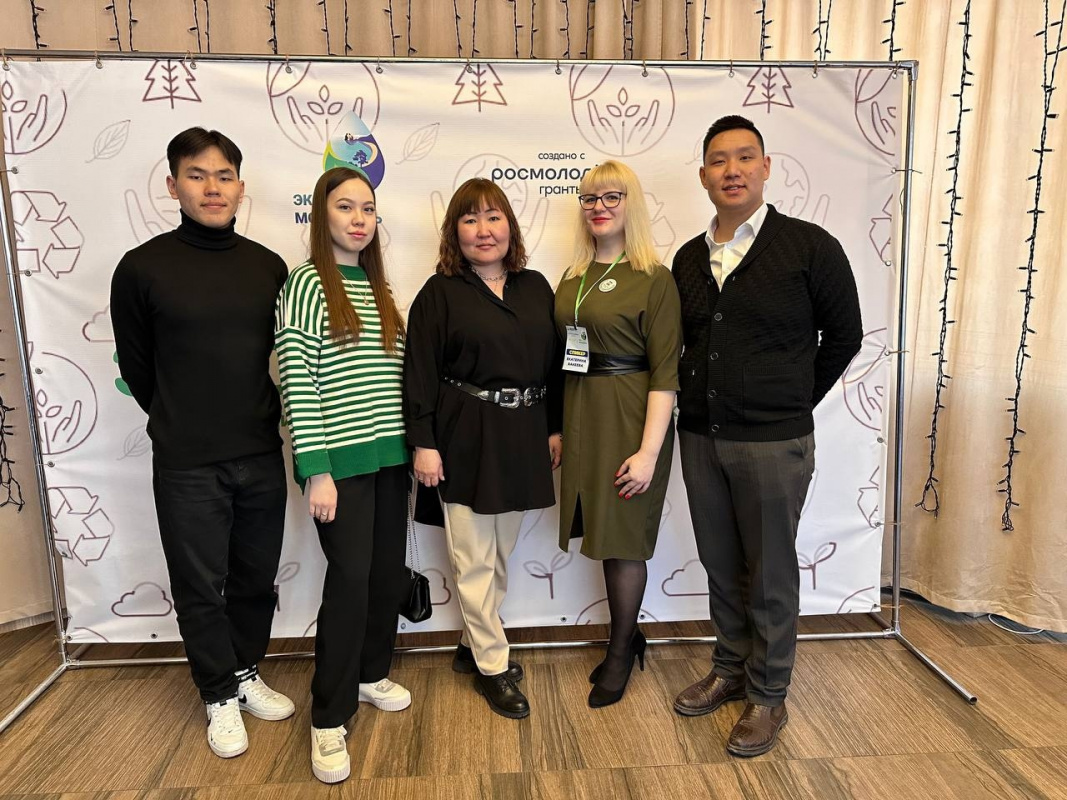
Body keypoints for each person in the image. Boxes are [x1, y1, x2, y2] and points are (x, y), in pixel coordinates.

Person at [671, 115, 863, 757]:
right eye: (719, 160)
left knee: (770, 570)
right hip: (700, 437)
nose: (732, 170)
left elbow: (845, 334)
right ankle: (729, 668)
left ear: (766, 167)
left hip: (773, 443)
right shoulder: (687, 258)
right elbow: (684, 344)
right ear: (703, 175)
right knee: (720, 563)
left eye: (744, 157)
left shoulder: (809, 246)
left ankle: (768, 693)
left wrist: (791, 399)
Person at [110, 127, 295, 760]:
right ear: (173, 185)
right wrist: (182, 419)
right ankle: (217, 694)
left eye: (223, 176)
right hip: (187, 461)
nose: (211, 187)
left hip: (260, 452)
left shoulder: (268, 267)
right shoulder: (141, 268)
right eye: (196, 175)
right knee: (199, 585)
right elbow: (139, 370)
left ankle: (244, 673)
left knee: (255, 579)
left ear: (240, 187)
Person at [404, 178, 562, 720]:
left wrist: (555, 428)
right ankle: (493, 665)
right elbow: (418, 373)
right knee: (473, 560)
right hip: (464, 435)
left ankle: (470, 645)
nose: (483, 230)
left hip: (523, 435)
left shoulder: (535, 286)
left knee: (497, 557)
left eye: (493, 217)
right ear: (455, 233)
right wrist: (424, 443)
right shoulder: (440, 292)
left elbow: (555, 365)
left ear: (510, 226)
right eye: (470, 220)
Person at [275, 167, 412, 783]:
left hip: (390, 460)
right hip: (341, 466)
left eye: (368, 209)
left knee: (384, 576)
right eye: (345, 207)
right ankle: (329, 717)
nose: (359, 219)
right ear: (321, 215)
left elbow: (391, 378)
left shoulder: (379, 287)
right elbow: (297, 381)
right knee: (350, 583)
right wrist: (316, 470)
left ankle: (370, 672)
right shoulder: (306, 283)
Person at [554, 160, 682, 709]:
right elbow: (562, 357)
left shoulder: (654, 277)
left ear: (632, 204)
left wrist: (649, 452)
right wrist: (559, 428)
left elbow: (666, 373)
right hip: (584, 414)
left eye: (611, 197)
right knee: (603, 531)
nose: (599, 207)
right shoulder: (572, 277)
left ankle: (621, 650)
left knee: (624, 539)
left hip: (631, 419)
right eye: (589, 198)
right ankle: (629, 636)